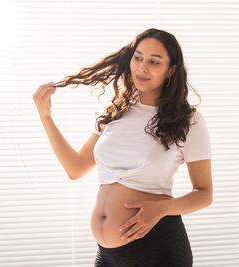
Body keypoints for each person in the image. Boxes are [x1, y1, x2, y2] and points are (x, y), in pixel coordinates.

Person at [32, 28, 212, 267]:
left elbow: (204, 193)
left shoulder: (188, 120)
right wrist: (46, 117)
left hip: (156, 247)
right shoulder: (117, 113)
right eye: (138, 58)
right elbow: (75, 169)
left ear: (171, 69)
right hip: (107, 255)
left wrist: (161, 209)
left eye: (154, 62)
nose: (142, 67)